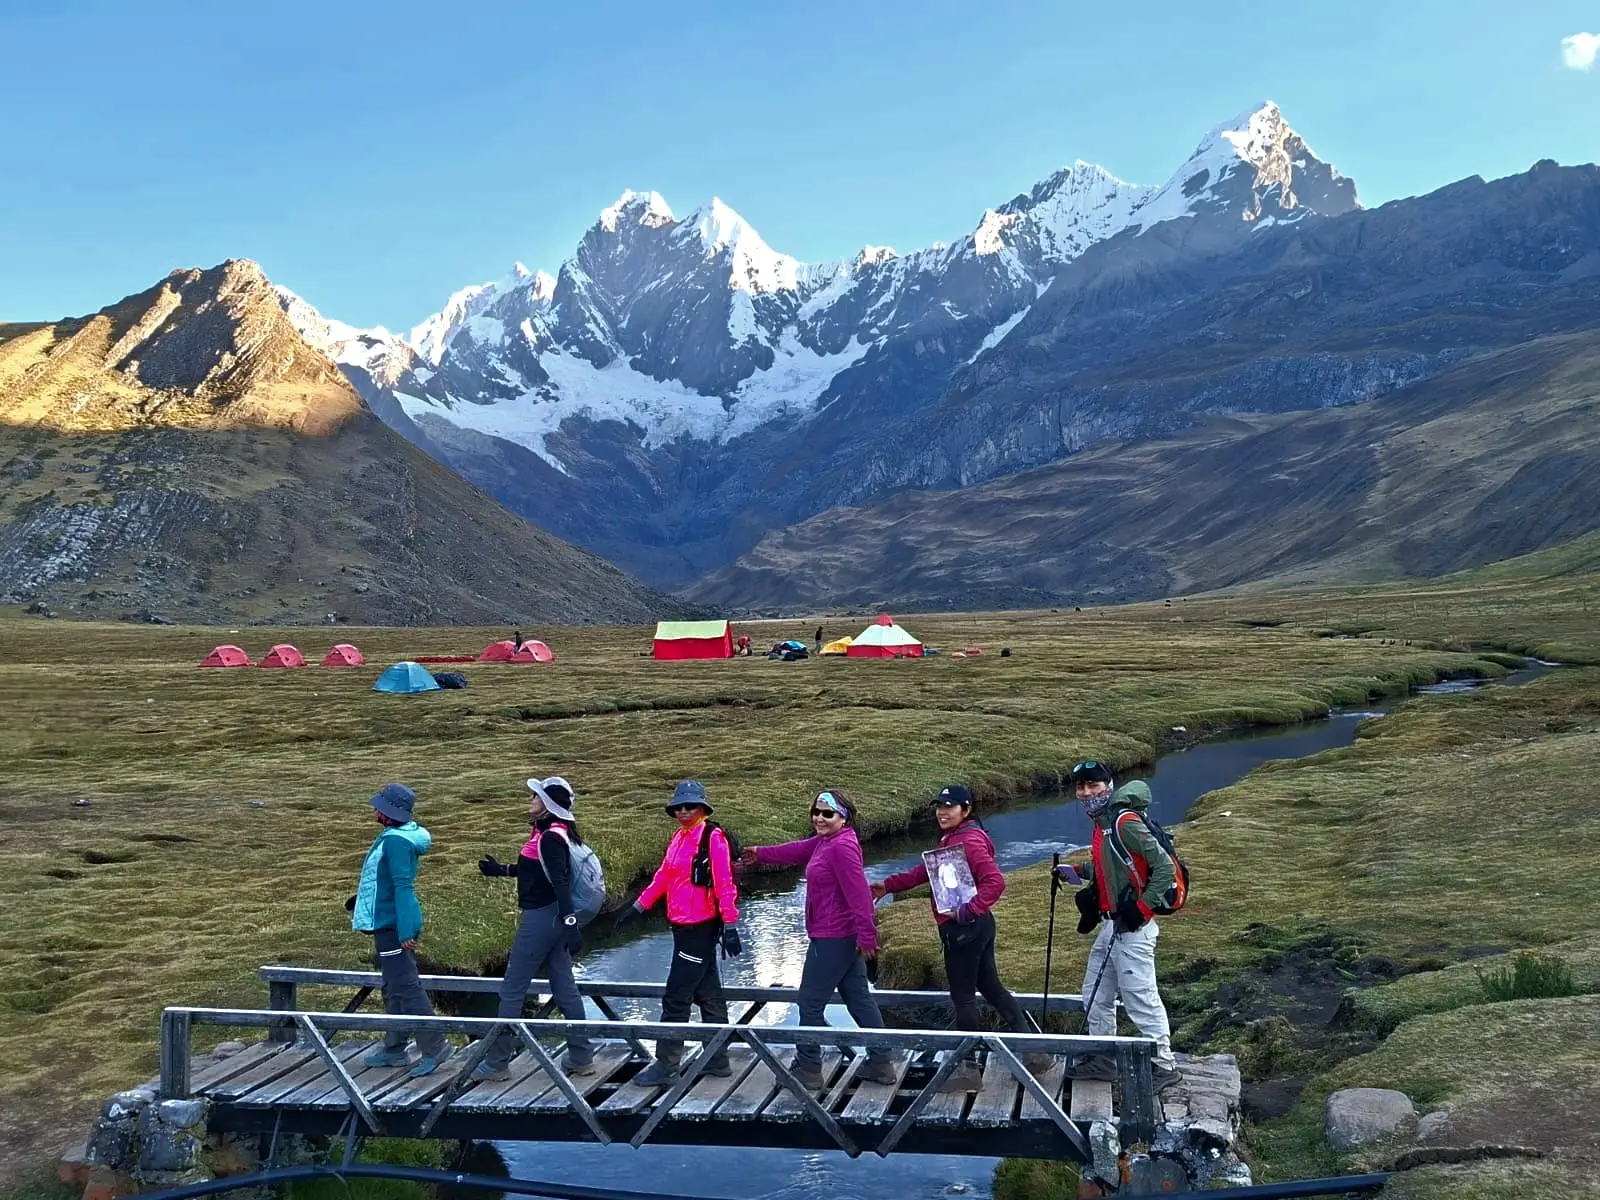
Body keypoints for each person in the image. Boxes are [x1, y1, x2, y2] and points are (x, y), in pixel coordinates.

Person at [872, 785, 1045, 1092]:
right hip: (979, 927)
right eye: (939, 806)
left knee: (963, 998)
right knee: (992, 988)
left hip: (964, 930)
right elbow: (925, 871)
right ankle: (1036, 1054)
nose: (942, 811)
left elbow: (995, 882)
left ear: (965, 810)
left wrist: (967, 911)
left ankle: (967, 1070)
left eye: (950, 806)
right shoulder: (959, 838)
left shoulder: (967, 842)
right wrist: (888, 885)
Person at [739, 789, 896, 1087]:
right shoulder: (828, 841)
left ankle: (809, 1070)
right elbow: (798, 849)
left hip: (834, 937)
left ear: (844, 818)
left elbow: (860, 895)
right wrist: (760, 854)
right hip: (840, 936)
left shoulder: (841, 848)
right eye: (816, 812)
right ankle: (882, 1063)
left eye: (828, 814)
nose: (819, 818)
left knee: (809, 1003)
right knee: (859, 999)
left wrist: (867, 937)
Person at [1054, 761, 1182, 1090]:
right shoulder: (1103, 824)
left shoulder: (1124, 823)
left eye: (1093, 786)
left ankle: (1163, 1064)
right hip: (1114, 926)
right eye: (1081, 787)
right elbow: (1109, 869)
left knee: (1140, 996)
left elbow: (1164, 867)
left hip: (1134, 929)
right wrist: (1076, 872)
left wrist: (1141, 909)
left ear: (1109, 786)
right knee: (1095, 992)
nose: (1086, 793)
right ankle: (1103, 1057)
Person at [615, 780, 741, 1084]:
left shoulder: (713, 838)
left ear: (702, 808)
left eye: (690, 806)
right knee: (708, 994)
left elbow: (724, 882)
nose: (684, 811)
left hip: (700, 927)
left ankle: (667, 1065)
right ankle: (717, 1061)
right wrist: (638, 907)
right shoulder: (679, 837)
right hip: (681, 927)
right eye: (679, 807)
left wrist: (732, 924)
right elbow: (663, 876)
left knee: (676, 997)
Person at [471, 776, 595, 1081]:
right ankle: (581, 1057)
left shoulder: (551, 838)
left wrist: (570, 924)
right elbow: (537, 873)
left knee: (512, 988)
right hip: (553, 919)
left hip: (541, 919)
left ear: (548, 805)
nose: (531, 800)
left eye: (536, 797)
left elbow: (561, 882)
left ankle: (497, 1063)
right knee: (564, 987)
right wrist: (501, 870)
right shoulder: (554, 833)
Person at [347, 783, 451, 1077]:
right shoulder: (397, 836)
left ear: (390, 811)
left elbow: (403, 887)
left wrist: (405, 931)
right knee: (393, 985)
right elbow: (385, 883)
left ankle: (436, 1046)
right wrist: (362, 903)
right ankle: (395, 1047)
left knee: (406, 986)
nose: (374, 810)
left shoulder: (395, 841)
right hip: (390, 921)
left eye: (379, 807)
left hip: (394, 925)